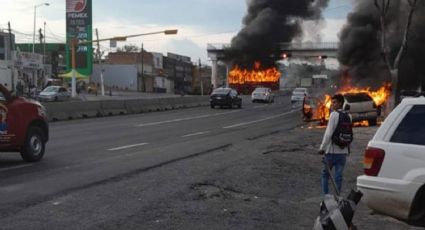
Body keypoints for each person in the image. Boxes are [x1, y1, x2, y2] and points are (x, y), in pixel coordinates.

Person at [318, 94, 352, 195]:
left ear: (340, 103)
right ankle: (337, 197)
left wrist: (322, 148)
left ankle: (326, 197)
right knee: (338, 177)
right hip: (343, 152)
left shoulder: (334, 115)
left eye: (334, 102)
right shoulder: (349, 116)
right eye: (332, 102)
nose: (332, 104)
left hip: (331, 152)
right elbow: (348, 134)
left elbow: (328, 133)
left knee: (325, 175)